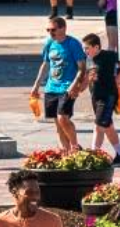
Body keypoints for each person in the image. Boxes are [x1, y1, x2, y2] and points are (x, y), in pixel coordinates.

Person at [32, 15, 87, 153]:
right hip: (51, 87)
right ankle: (66, 152)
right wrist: (37, 85)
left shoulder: (73, 44)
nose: (50, 33)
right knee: (57, 123)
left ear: (63, 28)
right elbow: (45, 64)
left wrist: (74, 85)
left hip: (67, 87)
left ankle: (75, 147)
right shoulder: (49, 43)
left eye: (53, 30)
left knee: (63, 118)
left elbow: (82, 67)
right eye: (48, 30)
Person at [86, 27, 120, 165]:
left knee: (99, 125)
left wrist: (119, 77)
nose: (85, 51)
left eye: (87, 48)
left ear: (96, 46)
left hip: (107, 96)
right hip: (95, 96)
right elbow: (89, 76)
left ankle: (93, 156)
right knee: (107, 125)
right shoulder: (90, 59)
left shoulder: (109, 56)